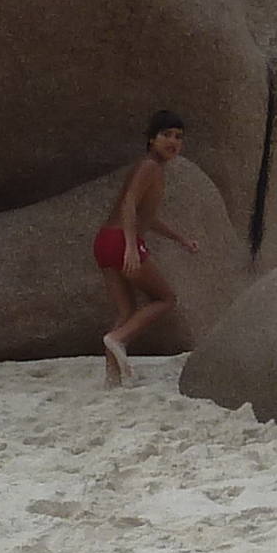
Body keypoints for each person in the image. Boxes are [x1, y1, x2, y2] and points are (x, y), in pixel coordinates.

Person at [94, 110, 206, 385]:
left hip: (105, 240)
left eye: (178, 137)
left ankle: (113, 377)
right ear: (151, 139)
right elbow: (129, 203)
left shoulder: (151, 168)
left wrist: (181, 239)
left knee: (126, 311)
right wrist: (131, 246)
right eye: (166, 135)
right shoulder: (150, 167)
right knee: (165, 299)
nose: (173, 141)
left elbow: (149, 218)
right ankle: (118, 339)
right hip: (121, 241)